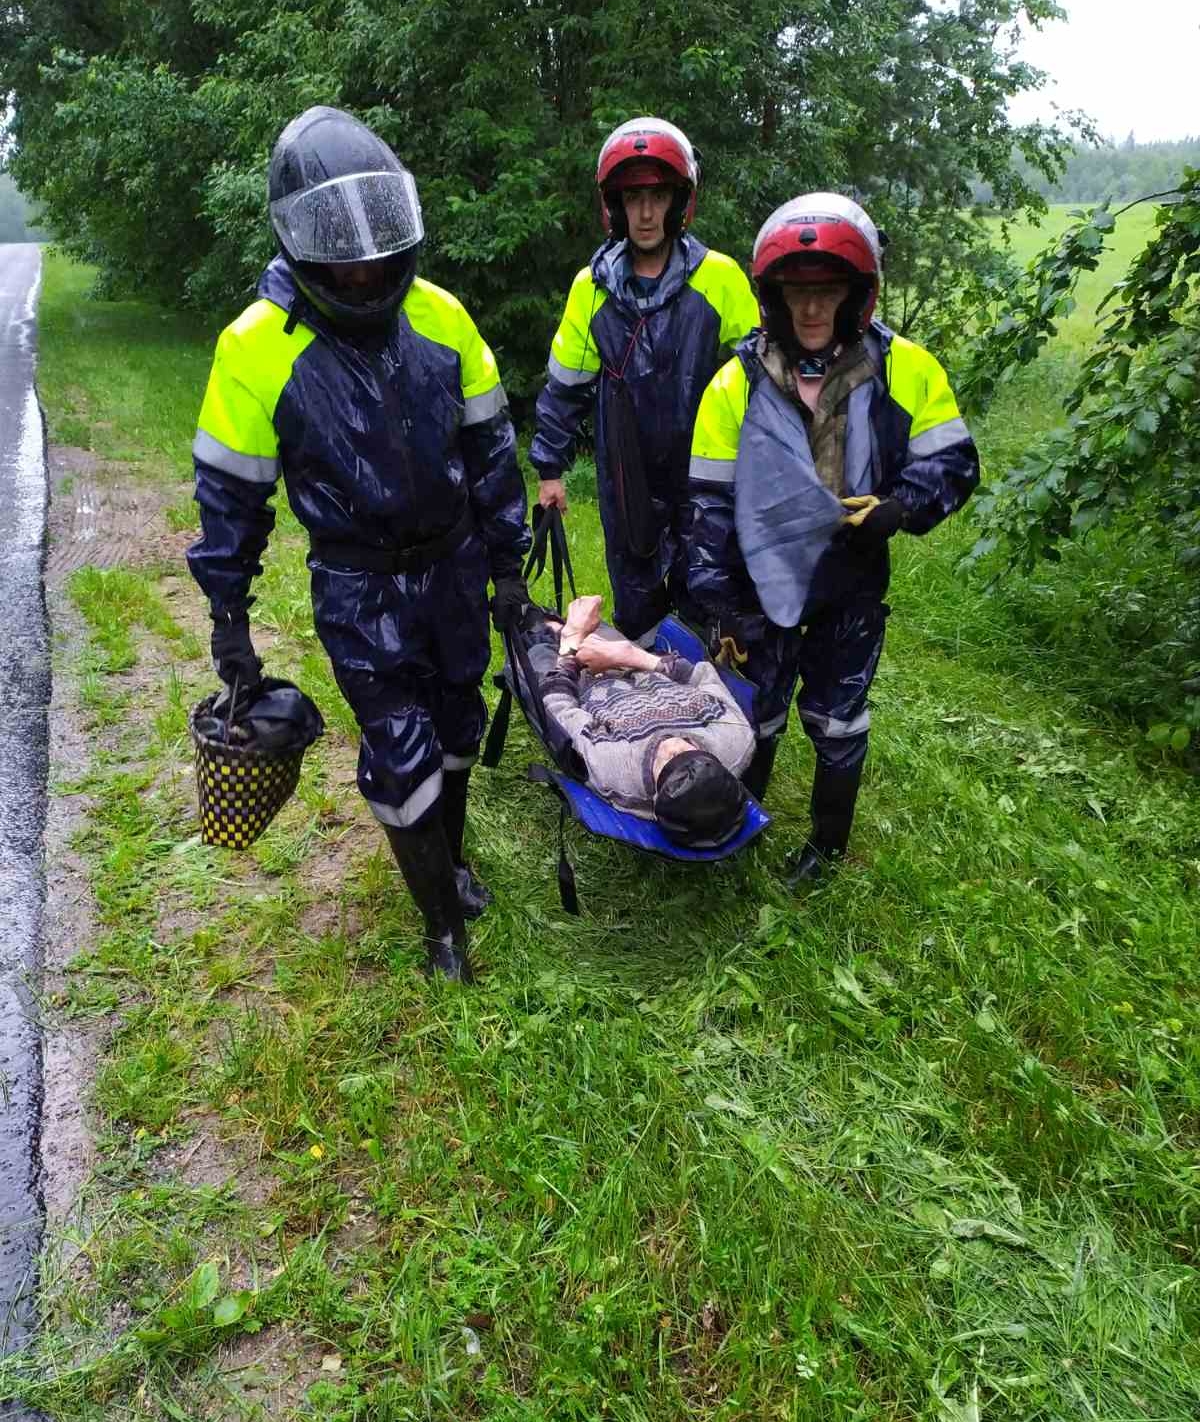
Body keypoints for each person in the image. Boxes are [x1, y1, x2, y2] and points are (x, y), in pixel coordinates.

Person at [186, 106, 531, 982]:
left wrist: (508, 576)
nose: (366, 262)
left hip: (452, 564)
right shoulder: (257, 347)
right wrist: (230, 618)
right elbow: (231, 498)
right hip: (358, 583)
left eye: (378, 237)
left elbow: (492, 457)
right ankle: (441, 929)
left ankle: (451, 864)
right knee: (401, 749)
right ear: (301, 241)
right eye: (342, 243)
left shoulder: (442, 318)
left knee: (457, 723)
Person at [687, 192, 979, 884]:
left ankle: (827, 847)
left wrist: (901, 507)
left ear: (855, 294)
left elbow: (954, 462)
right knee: (750, 715)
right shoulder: (736, 382)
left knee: (836, 718)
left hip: (850, 578)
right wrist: (718, 604)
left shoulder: (905, 367)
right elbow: (705, 506)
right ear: (774, 296)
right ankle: (738, 826)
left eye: (827, 291)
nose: (811, 309)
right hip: (760, 581)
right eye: (797, 292)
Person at [529, 117, 759, 640]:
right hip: (626, 469)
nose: (647, 212)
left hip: (708, 470)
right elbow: (566, 385)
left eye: (657, 195)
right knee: (637, 597)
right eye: (634, 198)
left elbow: (764, 381)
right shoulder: (592, 288)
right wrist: (548, 468)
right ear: (615, 205)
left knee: (711, 589)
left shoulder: (719, 278)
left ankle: (716, 707)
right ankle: (648, 706)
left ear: (680, 200)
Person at [521, 595, 754, 845]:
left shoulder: (615, 769)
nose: (672, 745)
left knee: (538, 629)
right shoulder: (735, 740)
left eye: (666, 761)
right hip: (639, 664)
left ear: (654, 799)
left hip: (578, 681)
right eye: (688, 749)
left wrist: (571, 643)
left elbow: (558, 708)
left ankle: (533, 618)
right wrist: (632, 656)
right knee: (577, 617)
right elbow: (701, 675)